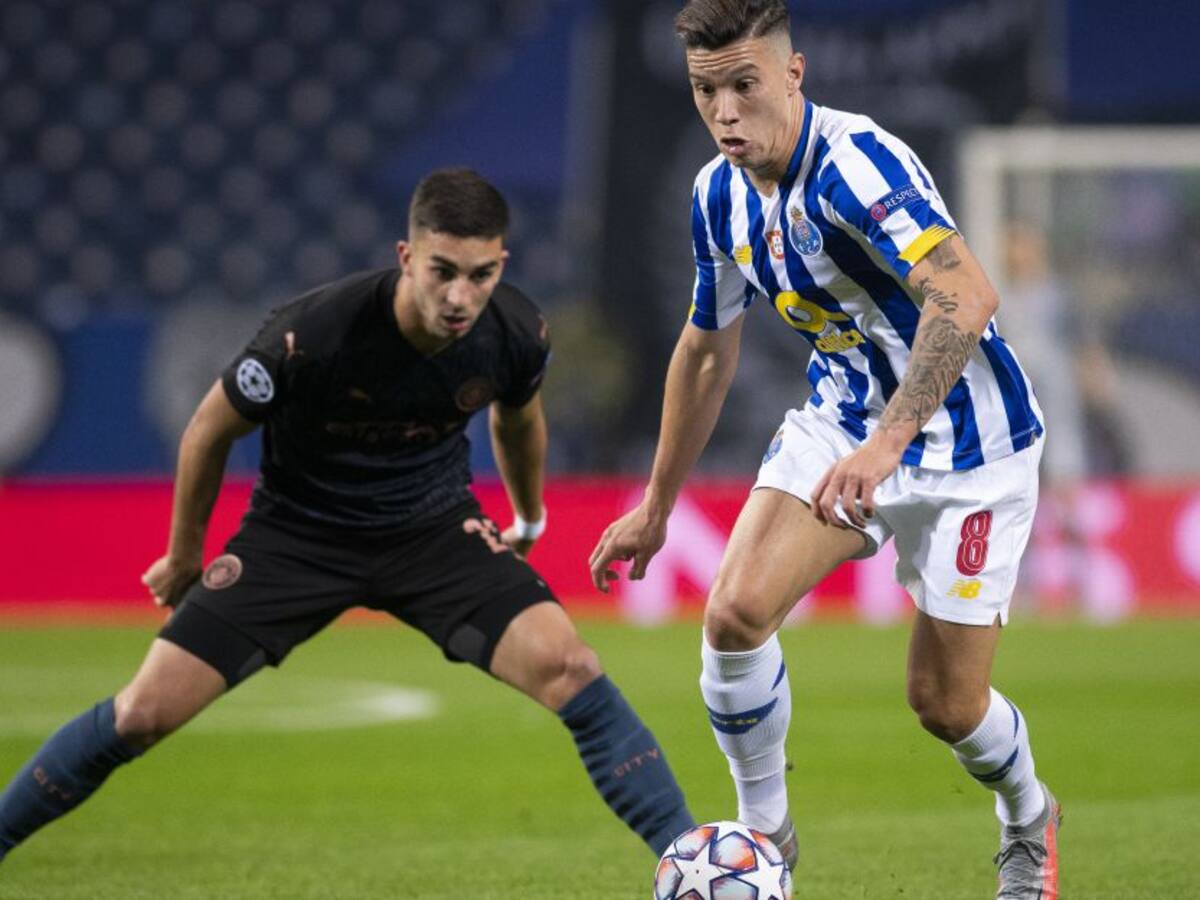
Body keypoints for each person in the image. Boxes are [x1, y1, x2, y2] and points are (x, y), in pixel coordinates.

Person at [0, 168, 694, 867]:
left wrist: (530, 514)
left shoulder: (514, 331)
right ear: (406, 257)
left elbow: (518, 421)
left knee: (571, 667)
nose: (460, 296)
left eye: (480, 275)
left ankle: (692, 865)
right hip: (296, 539)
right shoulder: (313, 333)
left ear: (501, 264)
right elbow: (209, 430)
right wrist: (185, 554)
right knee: (142, 714)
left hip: (432, 532)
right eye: (442, 271)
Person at [588, 3, 1060, 897]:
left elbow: (965, 296)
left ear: (793, 74)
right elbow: (706, 350)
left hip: (972, 446)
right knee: (733, 615)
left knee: (946, 706)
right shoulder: (717, 195)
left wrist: (890, 443)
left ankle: (1029, 816)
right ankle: (765, 843)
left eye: (744, 85)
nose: (725, 112)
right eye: (704, 91)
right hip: (843, 420)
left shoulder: (855, 164)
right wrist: (656, 505)